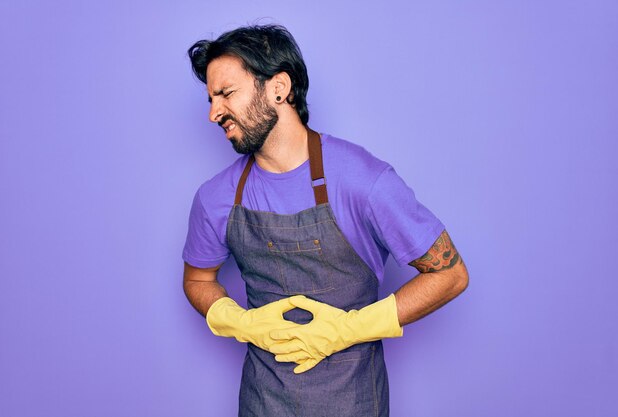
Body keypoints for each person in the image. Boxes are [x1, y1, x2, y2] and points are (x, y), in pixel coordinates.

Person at [182, 24, 469, 417]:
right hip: (262, 404)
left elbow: (450, 274)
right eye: (211, 98)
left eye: (226, 94)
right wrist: (240, 322)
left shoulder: (362, 180)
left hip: (354, 404)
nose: (214, 113)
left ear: (278, 87)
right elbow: (197, 280)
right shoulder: (216, 198)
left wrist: (349, 329)